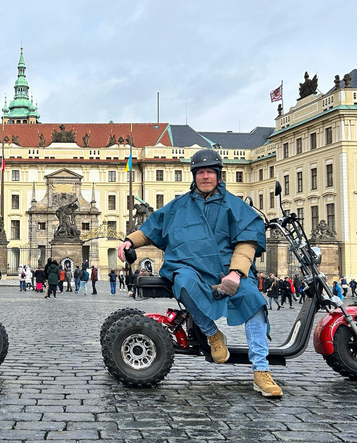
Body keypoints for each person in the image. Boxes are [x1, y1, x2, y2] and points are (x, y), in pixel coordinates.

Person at [118, 149, 282, 397]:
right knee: (182, 283)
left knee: (255, 302)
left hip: (229, 270)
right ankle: (212, 334)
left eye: (210, 172)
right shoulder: (179, 206)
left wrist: (236, 273)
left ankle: (261, 370)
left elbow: (247, 242)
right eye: (201, 172)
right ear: (194, 176)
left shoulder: (234, 206)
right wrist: (129, 241)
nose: (206, 177)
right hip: (193, 269)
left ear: (218, 175)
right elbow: (153, 227)